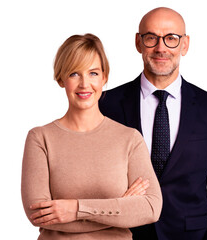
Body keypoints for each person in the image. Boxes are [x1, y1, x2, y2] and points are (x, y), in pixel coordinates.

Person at [99, 7, 207, 240]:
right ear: (138, 42)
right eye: (151, 37)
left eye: (171, 38)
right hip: (125, 234)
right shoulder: (107, 104)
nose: (161, 48)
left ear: (185, 44)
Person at [21, 33, 162, 240]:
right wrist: (119, 208)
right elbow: (39, 215)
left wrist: (76, 209)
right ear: (61, 79)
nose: (85, 84)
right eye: (74, 74)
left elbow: (151, 208)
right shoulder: (41, 138)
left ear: (104, 77)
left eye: (93, 73)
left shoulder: (129, 139)